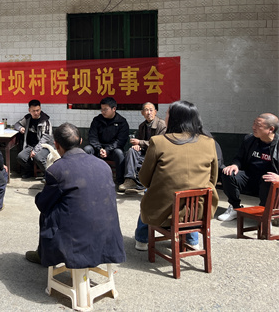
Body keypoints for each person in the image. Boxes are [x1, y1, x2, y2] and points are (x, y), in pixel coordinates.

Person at [25, 123, 125, 267]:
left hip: (75, 241)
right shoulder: (104, 165)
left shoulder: (57, 169)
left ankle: (43, 254)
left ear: (56, 145)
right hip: (108, 235)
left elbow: (42, 204)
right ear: (81, 141)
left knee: (47, 212)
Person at [134, 100, 219, 251]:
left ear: (174, 118)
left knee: (148, 193)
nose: (165, 116)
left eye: (167, 113)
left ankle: (142, 239)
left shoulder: (158, 142)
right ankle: (192, 240)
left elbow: (144, 179)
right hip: (200, 211)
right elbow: (213, 178)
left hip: (164, 211)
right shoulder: (209, 142)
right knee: (192, 194)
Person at [217, 113, 279, 222]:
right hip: (250, 176)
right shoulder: (249, 139)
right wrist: (235, 165)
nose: (253, 127)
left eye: (258, 125)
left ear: (271, 129)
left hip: (267, 182)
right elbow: (239, 158)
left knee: (268, 179)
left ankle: (265, 212)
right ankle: (235, 208)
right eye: (254, 123)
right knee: (228, 173)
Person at [118, 102, 166, 194]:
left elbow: (158, 143)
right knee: (131, 151)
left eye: (151, 110)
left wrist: (140, 142)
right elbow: (140, 142)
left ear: (155, 112)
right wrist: (137, 145)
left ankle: (141, 185)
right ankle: (130, 180)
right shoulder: (142, 126)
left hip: (156, 154)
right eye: (146, 110)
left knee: (138, 161)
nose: (149, 113)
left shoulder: (162, 125)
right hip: (145, 153)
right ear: (142, 113)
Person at [83, 97, 129, 185]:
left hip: (113, 150)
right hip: (98, 149)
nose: (103, 112)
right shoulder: (97, 120)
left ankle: (120, 182)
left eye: (105, 109)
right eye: (102, 109)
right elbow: (92, 137)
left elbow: (120, 141)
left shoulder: (122, 122)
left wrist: (107, 150)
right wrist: (100, 148)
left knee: (119, 153)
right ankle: (86, 179)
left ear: (114, 109)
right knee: (87, 149)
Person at [14, 99, 53, 179]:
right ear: (29, 110)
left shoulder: (45, 120)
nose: (36, 113)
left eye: (37, 110)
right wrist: (20, 128)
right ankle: (31, 171)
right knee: (20, 157)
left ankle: (49, 175)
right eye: (33, 111)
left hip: (44, 146)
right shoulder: (27, 118)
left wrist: (35, 150)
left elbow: (46, 138)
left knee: (38, 157)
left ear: (40, 109)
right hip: (30, 146)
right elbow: (17, 124)